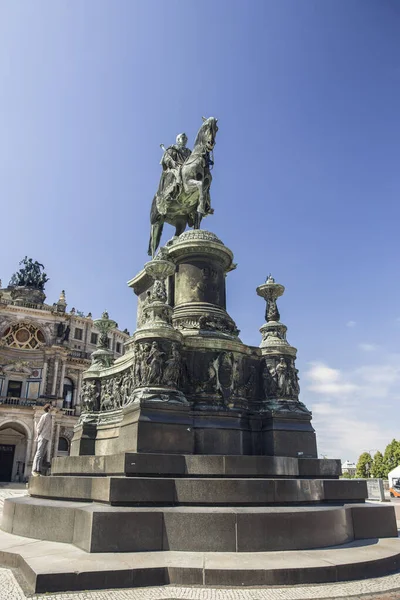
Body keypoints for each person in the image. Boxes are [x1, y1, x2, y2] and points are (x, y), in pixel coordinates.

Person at [32, 404, 52, 476]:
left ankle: (39, 469)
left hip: (47, 437)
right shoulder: (45, 416)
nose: (52, 407)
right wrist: (38, 435)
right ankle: (35, 469)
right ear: (48, 408)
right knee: (39, 453)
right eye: (51, 407)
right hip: (43, 436)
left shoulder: (49, 416)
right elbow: (39, 426)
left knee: (42, 453)